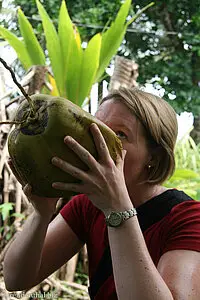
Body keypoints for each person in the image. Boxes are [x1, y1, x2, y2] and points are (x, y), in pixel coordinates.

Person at [3, 87, 200, 300]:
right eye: (94, 128)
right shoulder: (86, 206)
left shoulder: (189, 218)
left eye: (119, 134)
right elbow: (16, 280)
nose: (98, 143)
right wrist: (42, 213)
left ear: (154, 157)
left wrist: (117, 208)